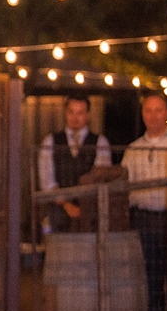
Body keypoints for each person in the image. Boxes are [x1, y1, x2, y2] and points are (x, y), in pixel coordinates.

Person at [122, 91, 167, 311]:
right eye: (148, 110)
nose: (154, 115)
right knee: (151, 281)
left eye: (159, 110)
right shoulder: (134, 150)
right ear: (143, 114)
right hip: (145, 221)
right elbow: (124, 189)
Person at [37, 93, 112, 232]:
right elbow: (46, 181)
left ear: (88, 115)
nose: (75, 118)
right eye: (71, 112)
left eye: (80, 113)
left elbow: (102, 180)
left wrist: (83, 207)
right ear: (65, 113)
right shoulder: (50, 141)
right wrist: (66, 204)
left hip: (89, 215)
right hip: (57, 214)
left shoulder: (100, 143)